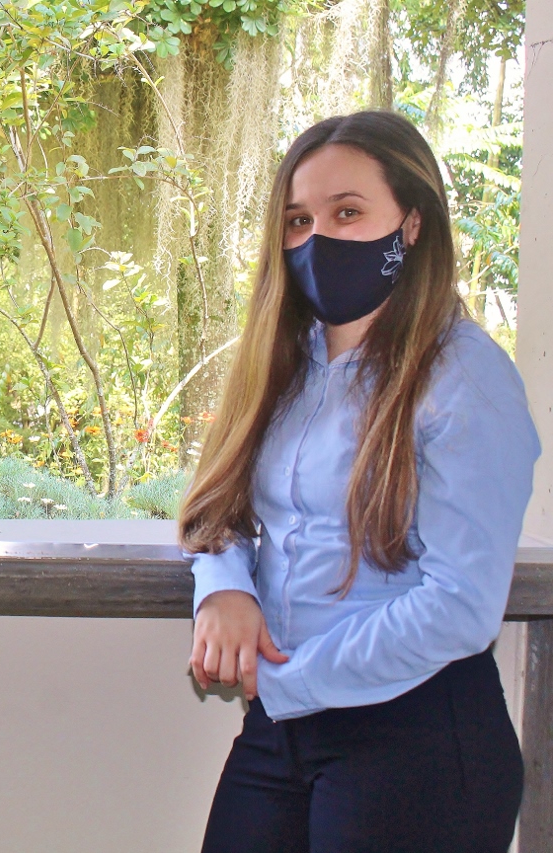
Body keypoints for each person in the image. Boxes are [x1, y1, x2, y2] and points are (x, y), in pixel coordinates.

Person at [179, 110, 539, 853]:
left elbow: (462, 604)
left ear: (412, 224)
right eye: (298, 220)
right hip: (281, 730)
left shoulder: (465, 376)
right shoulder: (283, 364)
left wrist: (292, 681)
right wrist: (223, 588)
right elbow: (221, 508)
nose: (319, 238)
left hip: (414, 735)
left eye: (348, 212)